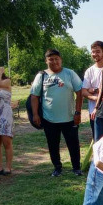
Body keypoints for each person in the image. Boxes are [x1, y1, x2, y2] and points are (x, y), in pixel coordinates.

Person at [30, 48, 83, 177]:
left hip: (69, 118)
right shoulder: (41, 76)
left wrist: (78, 112)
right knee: (53, 145)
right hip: (49, 119)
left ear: (61, 60)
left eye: (56, 59)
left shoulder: (70, 74)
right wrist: (35, 114)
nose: (54, 62)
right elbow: (34, 96)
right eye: (51, 59)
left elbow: (80, 93)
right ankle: (57, 168)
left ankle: (76, 167)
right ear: (46, 61)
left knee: (73, 144)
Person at [82, 40, 103, 138]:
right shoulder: (89, 71)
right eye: (93, 52)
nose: (95, 54)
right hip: (94, 112)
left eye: (97, 51)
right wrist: (97, 97)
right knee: (97, 138)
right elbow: (84, 91)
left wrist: (94, 90)